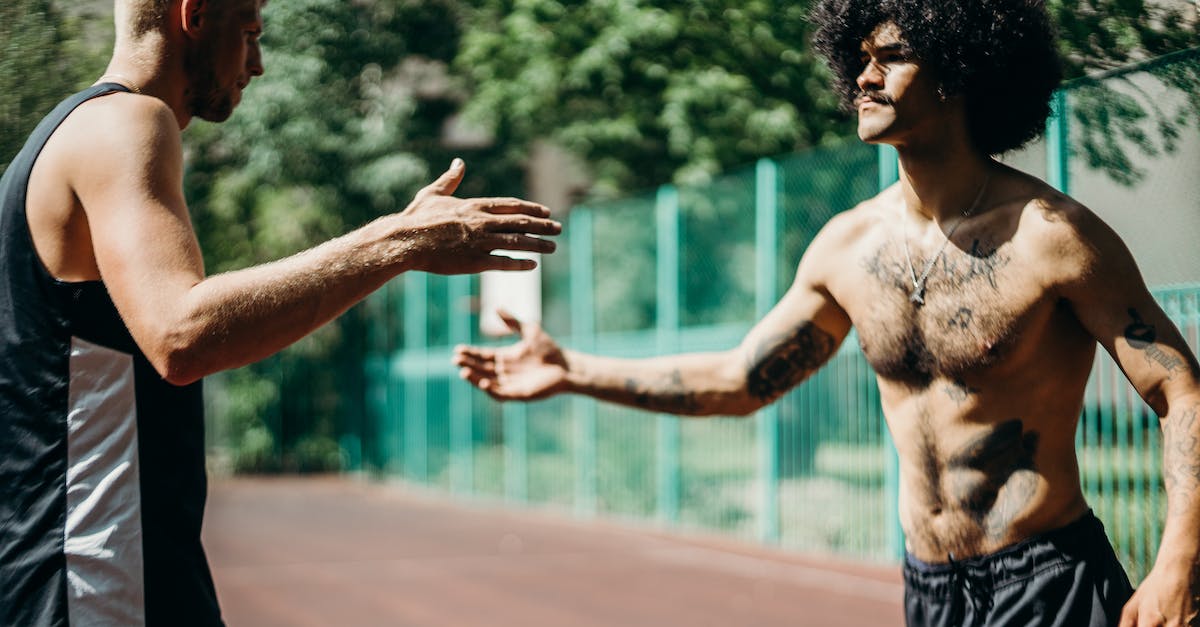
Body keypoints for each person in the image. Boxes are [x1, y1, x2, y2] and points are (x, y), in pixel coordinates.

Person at [454, 1, 1200, 625]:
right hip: (931, 589)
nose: (864, 80)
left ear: (961, 70)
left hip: (1048, 582)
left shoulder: (1050, 236)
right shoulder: (847, 247)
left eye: (893, 58)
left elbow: (1180, 390)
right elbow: (742, 379)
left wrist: (1177, 565)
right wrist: (572, 369)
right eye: (860, 61)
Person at [0, 0, 561, 624]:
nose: (257, 64)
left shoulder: (64, 135)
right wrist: (398, 243)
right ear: (194, 15)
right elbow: (181, 337)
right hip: (95, 578)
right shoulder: (125, 122)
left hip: (100, 567)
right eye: (248, 34)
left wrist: (399, 241)